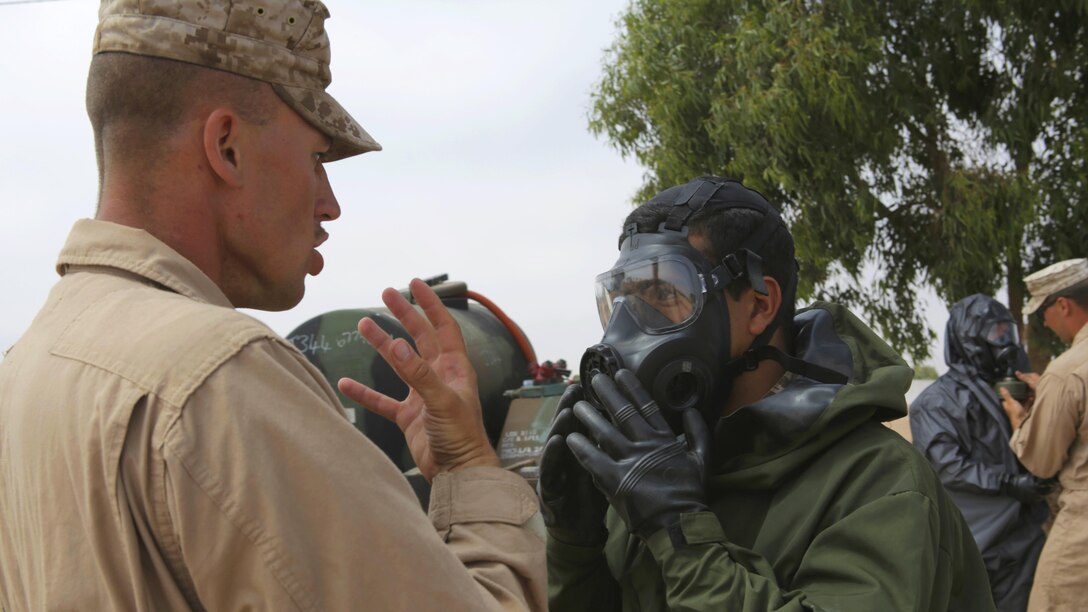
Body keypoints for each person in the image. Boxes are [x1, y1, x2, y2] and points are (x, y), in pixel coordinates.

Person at [0, 2, 544, 610]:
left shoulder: (25, 369)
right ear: (226, 146)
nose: (329, 203)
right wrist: (469, 467)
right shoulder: (217, 380)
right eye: (316, 158)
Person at [540, 176, 994, 610]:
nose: (624, 330)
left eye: (662, 292)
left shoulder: (878, 483)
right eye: (620, 299)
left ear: (759, 306)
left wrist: (678, 533)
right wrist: (576, 547)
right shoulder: (649, 474)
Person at [910, 294, 1050, 611]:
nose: (1005, 343)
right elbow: (948, 466)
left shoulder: (1009, 390)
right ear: (970, 338)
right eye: (995, 333)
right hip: (975, 543)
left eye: (1008, 332)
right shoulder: (936, 402)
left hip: (1023, 539)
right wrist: (1008, 483)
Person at [1000, 258, 1088, 612]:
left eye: (1042, 314)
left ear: (1063, 305)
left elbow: (1042, 461)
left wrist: (1020, 420)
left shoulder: (1067, 370)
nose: (1046, 324)